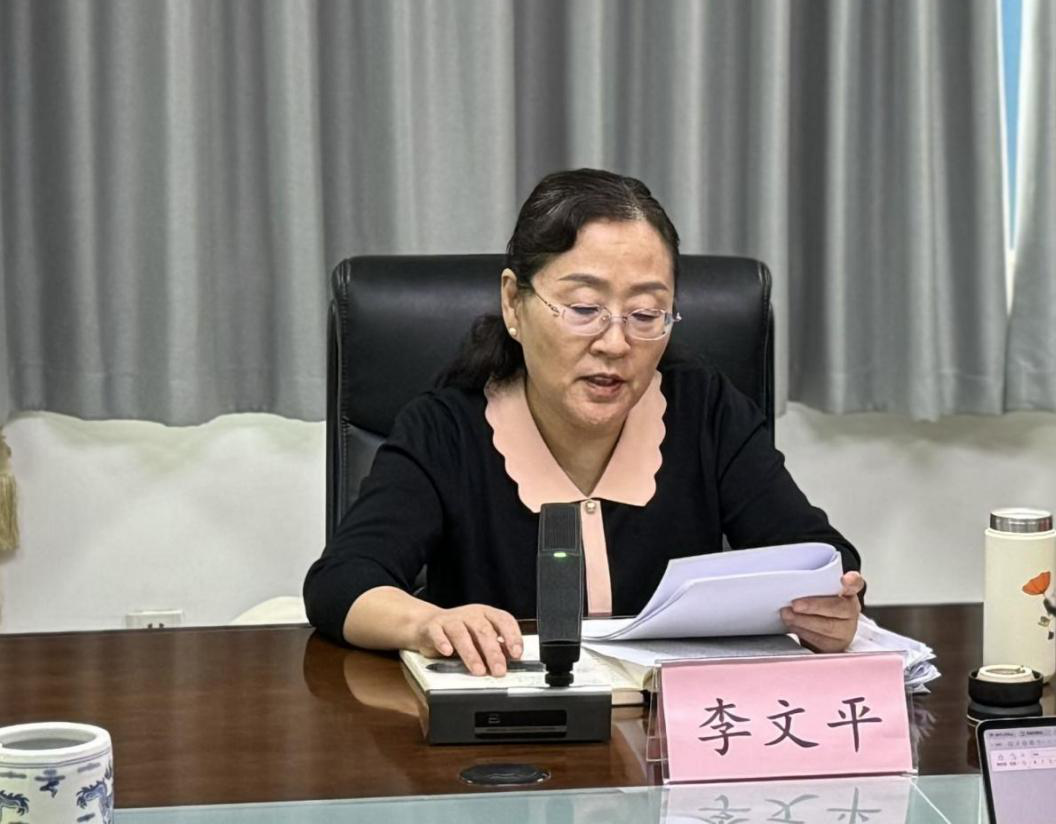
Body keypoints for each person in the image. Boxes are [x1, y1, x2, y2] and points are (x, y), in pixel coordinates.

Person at [304, 168, 864, 676]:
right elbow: (342, 581)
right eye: (583, 309)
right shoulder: (446, 430)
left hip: (667, 736)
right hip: (506, 734)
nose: (615, 343)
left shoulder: (706, 411)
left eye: (645, 313)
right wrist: (428, 623)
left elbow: (819, 556)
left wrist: (832, 607)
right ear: (513, 303)